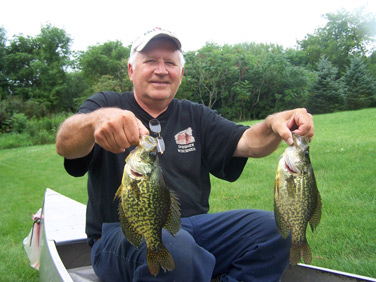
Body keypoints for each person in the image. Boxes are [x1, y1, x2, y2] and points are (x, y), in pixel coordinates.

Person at [56, 27, 314, 282]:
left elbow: (248, 142)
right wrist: (96, 121)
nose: (161, 69)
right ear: (131, 71)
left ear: (181, 73)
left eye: (170, 62)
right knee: (177, 249)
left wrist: (272, 123)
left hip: (196, 229)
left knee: (275, 230)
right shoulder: (105, 104)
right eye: (150, 61)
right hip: (122, 234)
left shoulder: (196, 115)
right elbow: (65, 142)